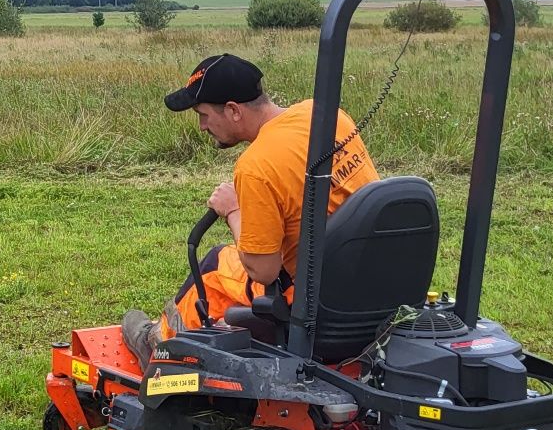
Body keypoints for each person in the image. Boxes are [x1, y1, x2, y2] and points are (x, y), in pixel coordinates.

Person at [121, 51, 379, 366]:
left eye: (203, 115)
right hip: (370, 280)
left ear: (233, 111)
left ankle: (159, 345)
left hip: (314, 303)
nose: (202, 127)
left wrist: (232, 210)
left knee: (217, 263)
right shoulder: (328, 116)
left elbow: (264, 270)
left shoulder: (257, 165)